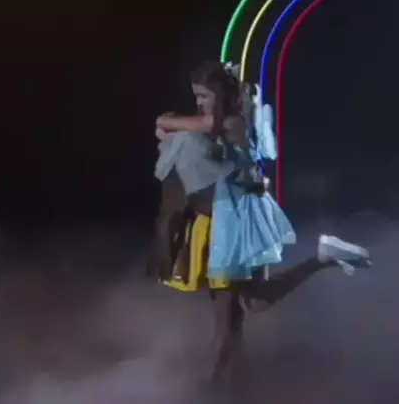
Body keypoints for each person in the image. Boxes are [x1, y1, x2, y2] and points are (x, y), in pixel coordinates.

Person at [149, 61, 371, 381]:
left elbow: (204, 125)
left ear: (223, 95)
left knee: (229, 321)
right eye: (196, 96)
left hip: (235, 223)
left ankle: (211, 388)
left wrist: (165, 123)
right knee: (250, 304)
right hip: (227, 219)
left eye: (205, 96)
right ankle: (323, 257)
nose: (200, 102)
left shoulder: (231, 123)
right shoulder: (221, 123)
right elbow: (191, 134)